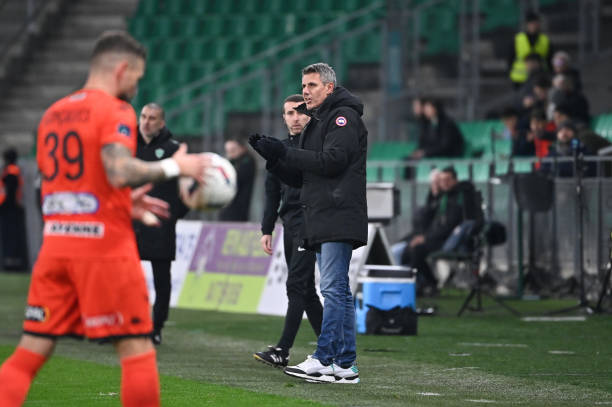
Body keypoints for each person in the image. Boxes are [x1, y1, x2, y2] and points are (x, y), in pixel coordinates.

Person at [0, 31, 209, 407]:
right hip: (103, 251)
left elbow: (65, 186)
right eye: (137, 76)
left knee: (30, 352)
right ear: (122, 68)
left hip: (55, 249)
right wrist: (174, 166)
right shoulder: (114, 110)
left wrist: (121, 204)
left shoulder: (53, 114)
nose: (136, 86)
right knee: (137, 349)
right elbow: (119, 171)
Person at [249, 62, 367, 384]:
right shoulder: (318, 122)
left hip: (338, 213)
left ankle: (325, 358)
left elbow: (333, 162)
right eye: (303, 85)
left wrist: (285, 154)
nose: (305, 91)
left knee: (332, 288)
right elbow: (301, 178)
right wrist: (275, 158)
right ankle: (345, 365)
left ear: (329, 87)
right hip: (322, 215)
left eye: (312, 85)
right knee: (337, 290)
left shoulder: (342, 118)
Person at [253, 94, 323, 368]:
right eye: (289, 113)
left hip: (310, 222)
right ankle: (333, 345)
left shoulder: (317, 147)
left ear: (309, 115)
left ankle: (283, 349)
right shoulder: (278, 149)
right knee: (306, 291)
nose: (295, 117)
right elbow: (272, 193)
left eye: (299, 112)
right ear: (283, 118)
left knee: (296, 285)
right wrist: (267, 229)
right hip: (290, 225)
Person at [133, 102, 190, 346]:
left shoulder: (173, 149)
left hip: (161, 225)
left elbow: (187, 190)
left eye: (152, 118)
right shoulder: (126, 146)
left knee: (161, 280)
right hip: (131, 222)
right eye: (143, 116)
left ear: (162, 123)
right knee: (123, 278)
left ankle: (156, 327)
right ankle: (124, 324)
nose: (146, 122)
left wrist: (174, 214)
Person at [399, 167, 480, 295]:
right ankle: (419, 284)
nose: (444, 183)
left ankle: (429, 284)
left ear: (455, 180)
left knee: (416, 250)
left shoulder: (459, 197)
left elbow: (449, 225)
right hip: (437, 237)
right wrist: (433, 195)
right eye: (441, 180)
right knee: (407, 250)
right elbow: (426, 219)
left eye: (448, 180)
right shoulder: (442, 196)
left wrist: (426, 238)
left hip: (449, 240)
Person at [391, 168, 442, 265]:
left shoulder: (441, 202)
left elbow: (436, 226)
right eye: (433, 183)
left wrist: (424, 238)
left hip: (429, 239)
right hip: (419, 235)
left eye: (437, 182)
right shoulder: (430, 200)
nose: (435, 185)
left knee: (397, 252)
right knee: (395, 249)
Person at [508, 10, 553, 88]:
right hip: (520, 78)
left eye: (536, 23)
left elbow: (549, 59)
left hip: (540, 78)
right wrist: (509, 72)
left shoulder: (545, 40)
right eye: (532, 23)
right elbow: (510, 57)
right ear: (527, 24)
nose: (534, 26)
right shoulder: (518, 39)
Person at [0, 148, 28, 270]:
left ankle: (11, 263)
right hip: (14, 208)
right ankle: (13, 262)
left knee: (10, 237)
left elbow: (10, 192)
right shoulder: (14, 170)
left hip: (10, 209)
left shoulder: (11, 172)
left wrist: (3, 206)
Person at [218, 136, 255, 221]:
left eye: (233, 150)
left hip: (238, 210)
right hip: (226, 207)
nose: (230, 154)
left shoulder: (247, 161)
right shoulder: (232, 162)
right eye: (228, 151)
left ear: (242, 148)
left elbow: (234, 178)